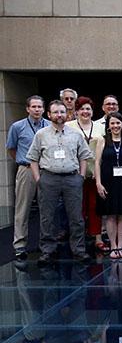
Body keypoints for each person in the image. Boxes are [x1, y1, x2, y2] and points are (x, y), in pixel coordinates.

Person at [27, 100, 93, 263]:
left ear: (67, 114)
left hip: (72, 178)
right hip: (49, 178)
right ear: (49, 115)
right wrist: (38, 179)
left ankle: (78, 249)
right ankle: (48, 250)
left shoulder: (75, 134)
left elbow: (84, 155)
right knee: (47, 216)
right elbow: (33, 158)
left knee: (76, 216)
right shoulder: (41, 134)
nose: (59, 115)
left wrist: (81, 176)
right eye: (55, 112)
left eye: (62, 112)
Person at [6, 95, 50, 260]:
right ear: (27, 109)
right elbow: (11, 148)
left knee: (46, 209)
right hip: (26, 170)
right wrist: (23, 162)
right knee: (22, 208)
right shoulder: (17, 127)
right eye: (34, 107)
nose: (37, 110)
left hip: (46, 170)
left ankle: (45, 244)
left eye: (40, 107)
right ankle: (20, 244)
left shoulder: (49, 126)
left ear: (44, 109)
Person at [95, 112, 122, 259]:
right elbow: (97, 162)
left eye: (118, 123)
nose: (115, 126)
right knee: (111, 214)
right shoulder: (102, 141)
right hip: (108, 181)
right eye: (112, 123)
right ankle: (113, 246)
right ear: (108, 126)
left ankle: (120, 246)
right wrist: (98, 183)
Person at [65, 97, 106, 252]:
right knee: (77, 208)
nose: (85, 112)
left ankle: (97, 237)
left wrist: (100, 172)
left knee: (95, 207)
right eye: (82, 109)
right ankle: (78, 239)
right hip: (75, 173)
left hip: (95, 173)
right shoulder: (69, 127)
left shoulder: (99, 127)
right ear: (76, 111)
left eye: (88, 109)